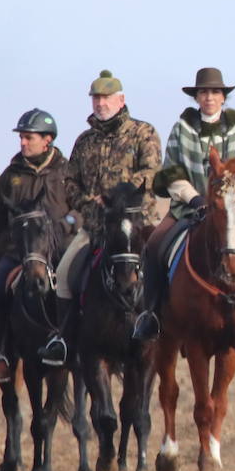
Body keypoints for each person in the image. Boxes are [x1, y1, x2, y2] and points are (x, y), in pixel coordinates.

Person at [132, 67, 235, 340]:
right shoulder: (181, 130)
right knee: (154, 246)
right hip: (189, 206)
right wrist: (195, 198)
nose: (209, 97)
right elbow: (171, 172)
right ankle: (150, 314)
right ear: (196, 97)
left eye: (215, 92)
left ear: (223, 97)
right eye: (204, 92)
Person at [38, 71, 161, 364]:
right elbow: (70, 182)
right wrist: (86, 200)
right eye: (96, 98)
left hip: (138, 226)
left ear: (121, 100)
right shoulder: (84, 141)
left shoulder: (143, 133)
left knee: (166, 268)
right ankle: (63, 338)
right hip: (95, 227)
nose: (100, 103)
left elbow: (153, 173)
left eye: (106, 97)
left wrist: (117, 195)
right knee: (65, 276)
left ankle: (169, 329)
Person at [0, 109, 76, 382]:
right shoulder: (11, 175)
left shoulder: (67, 171)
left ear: (47, 140)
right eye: (21, 138)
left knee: (79, 284)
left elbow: (82, 207)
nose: (23, 143)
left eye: (28, 138)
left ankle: (73, 345)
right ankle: (1, 354)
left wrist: (67, 224)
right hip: (21, 252)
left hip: (60, 249)